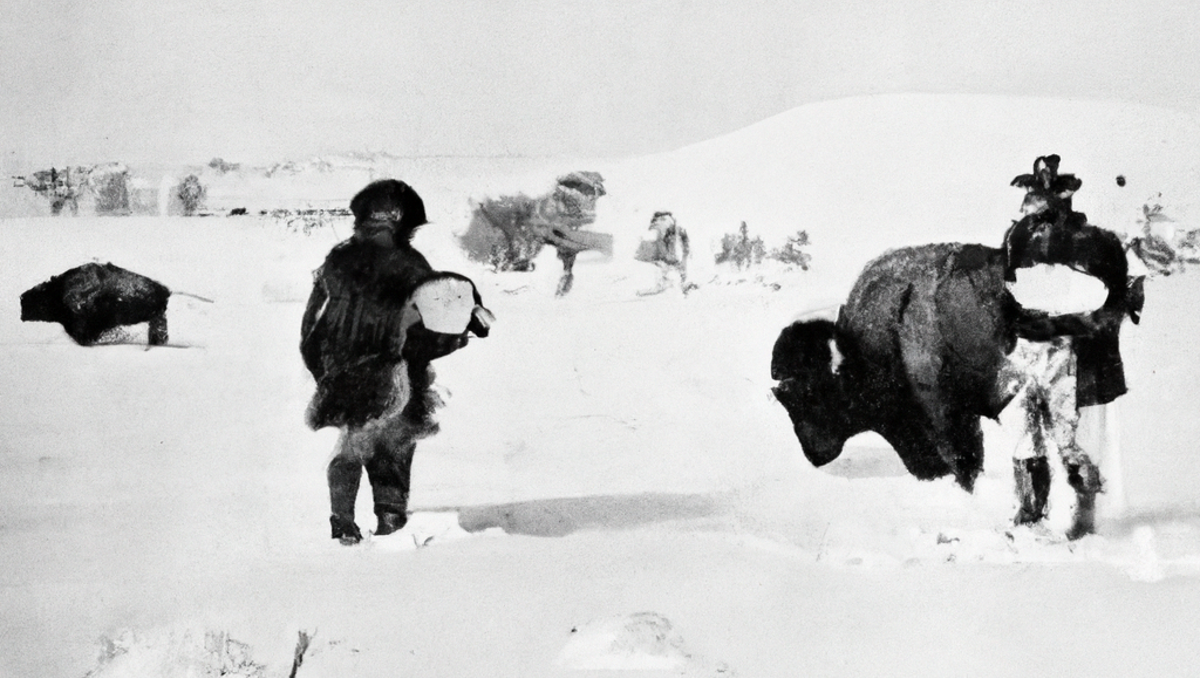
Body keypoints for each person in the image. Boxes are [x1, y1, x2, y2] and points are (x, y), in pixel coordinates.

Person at [300, 179, 493, 545]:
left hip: (340, 372)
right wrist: (461, 332)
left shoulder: (336, 260)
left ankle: (342, 520)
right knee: (393, 444)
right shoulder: (410, 265)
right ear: (407, 224)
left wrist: (321, 369)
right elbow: (433, 320)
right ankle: (389, 521)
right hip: (393, 373)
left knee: (354, 441)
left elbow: (311, 322)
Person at [1002, 155, 1143, 539]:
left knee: (1074, 437)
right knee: (1024, 433)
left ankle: (1084, 515)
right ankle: (1030, 510)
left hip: (1076, 354)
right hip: (1026, 351)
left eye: (1038, 198)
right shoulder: (1017, 238)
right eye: (1030, 198)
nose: (1029, 206)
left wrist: (1084, 324)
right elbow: (1007, 291)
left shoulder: (1095, 242)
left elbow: (1114, 300)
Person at [636, 211, 697, 296]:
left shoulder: (677, 232)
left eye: (663, 219)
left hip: (674, 264)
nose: (660, 223)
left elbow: (685, 249)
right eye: (660, 220)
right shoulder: (657, 236)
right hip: (666, 264)